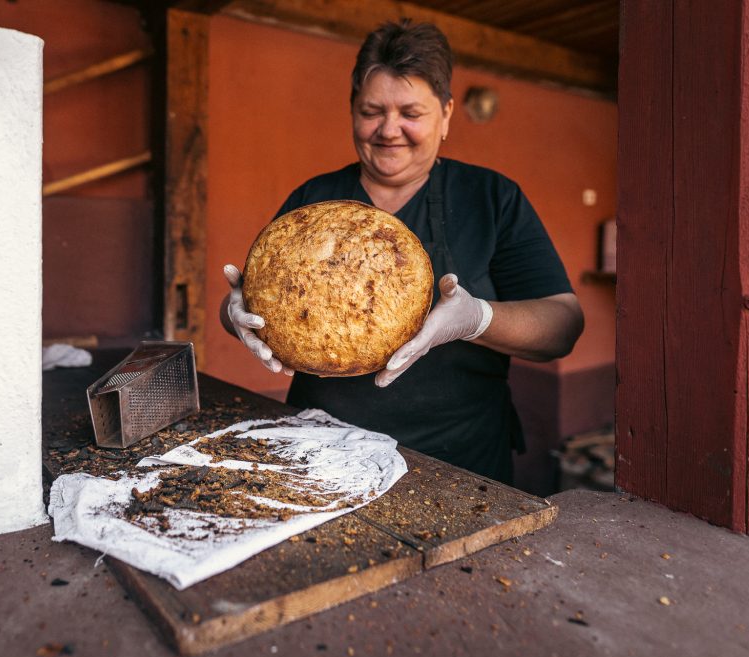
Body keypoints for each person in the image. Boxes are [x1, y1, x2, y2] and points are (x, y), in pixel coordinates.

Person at [220, 19, 584, 484]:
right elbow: (251, 305)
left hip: (458, 461)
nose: (389, 129)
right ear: (352, 110)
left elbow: (563, 325)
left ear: (447, 114)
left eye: (410, 112)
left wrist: (478, 320)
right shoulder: (312, 202)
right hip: (322, 450)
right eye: (372, 110)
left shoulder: (491, 198)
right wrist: (235, 312)